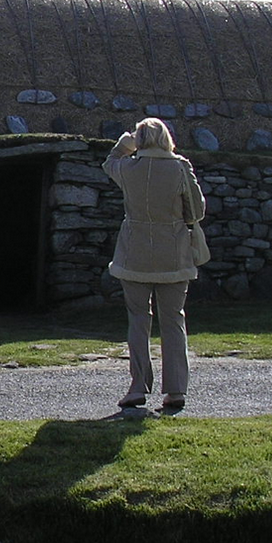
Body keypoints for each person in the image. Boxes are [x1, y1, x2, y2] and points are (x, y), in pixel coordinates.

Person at [103, 117, 207, 413]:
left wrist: (125, 145)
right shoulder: (180, 167)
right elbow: (197, 211)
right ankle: (175, 390)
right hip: (173, 252)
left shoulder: (128, 167)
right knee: (173, 321)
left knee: (138, 319)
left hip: (134, 252)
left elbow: (109, 163)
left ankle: (138, 386)